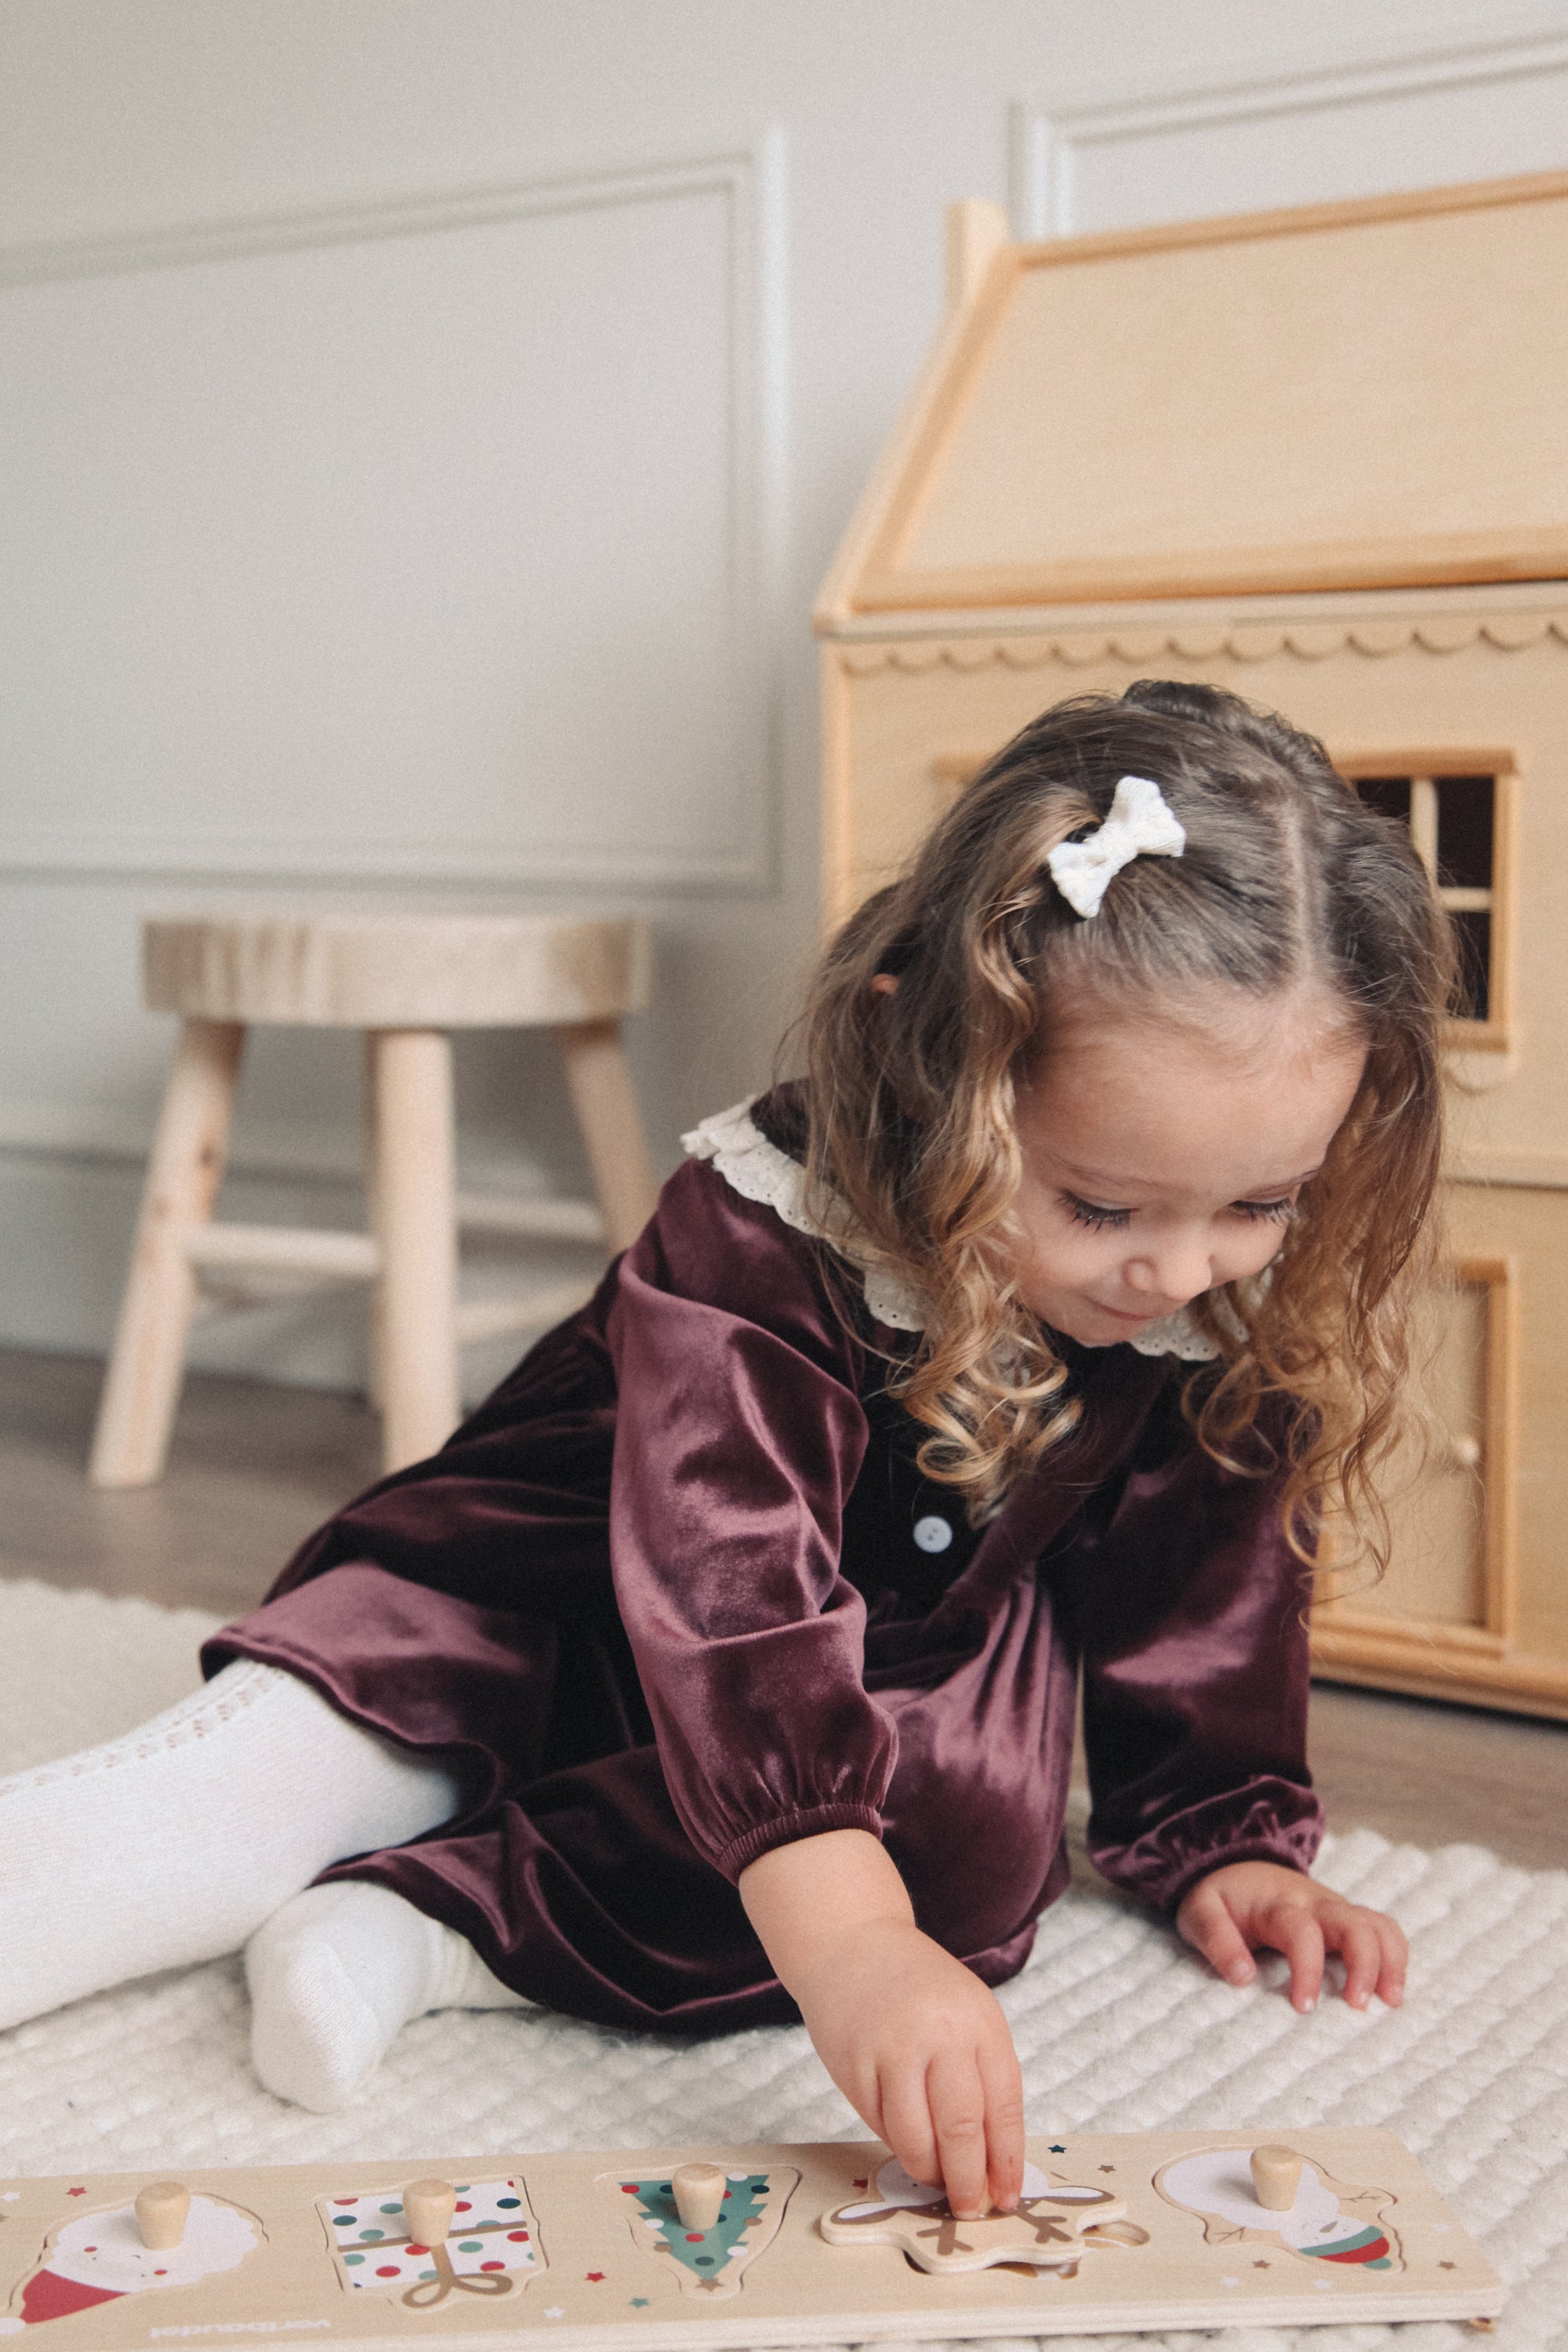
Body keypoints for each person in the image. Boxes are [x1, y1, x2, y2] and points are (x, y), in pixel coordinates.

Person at [0, 681, 1446, 2222]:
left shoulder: (1196, 1291)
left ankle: (435, 1935)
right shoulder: (757, 1230)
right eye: (1099, 1209)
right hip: (535, 1599)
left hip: (849, 1705)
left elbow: (1197, 1592)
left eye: (1257, 1203)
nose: (1174, 1269)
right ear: (926, 1070)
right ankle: (277, 1821)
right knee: (279, 1773)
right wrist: (845, 1947)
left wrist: (1219, 1835)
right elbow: (727, 1594)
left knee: (962, 1851)